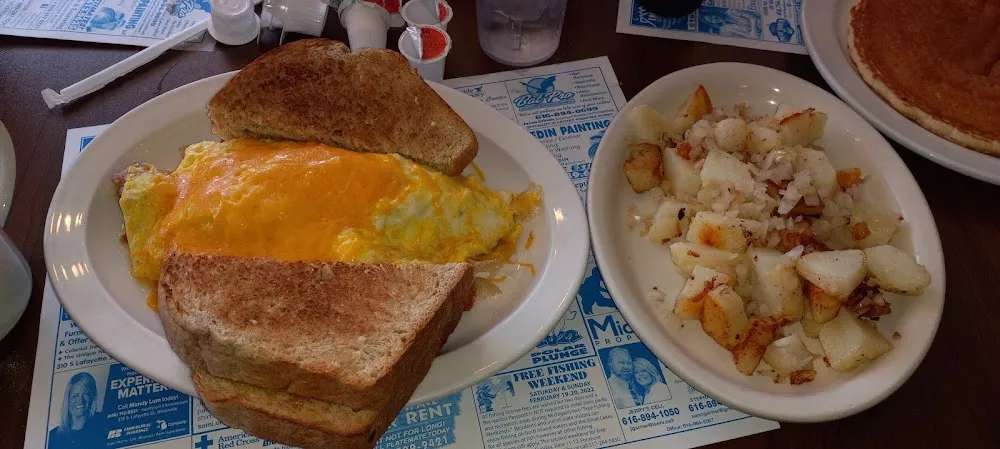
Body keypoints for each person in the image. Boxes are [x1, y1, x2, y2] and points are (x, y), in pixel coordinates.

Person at [48, 372, 103, 448]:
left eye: (86, 394)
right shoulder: (53, 436)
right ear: (68, 399)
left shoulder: (101, 427)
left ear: (92, 397)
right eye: (75, 396)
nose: (80, 400)